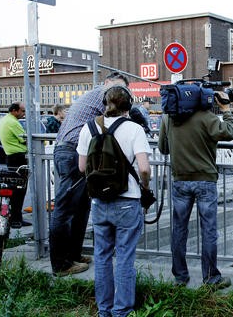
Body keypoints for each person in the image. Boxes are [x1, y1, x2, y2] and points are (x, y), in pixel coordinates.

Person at [77, 86, 151, 317]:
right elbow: (144, 168)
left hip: (99, 201)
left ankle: (104, 310)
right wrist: (145, 187)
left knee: (102, 256)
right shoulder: (134, 129)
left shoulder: (88, 128)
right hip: (127, 201)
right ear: (128, 105)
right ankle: (122, 310)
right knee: (125, 257)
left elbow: (81, 167)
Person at [49, 71, 129, 277]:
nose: (118, 93)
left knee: (82, 207)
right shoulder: (104, 94)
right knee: (65, 207)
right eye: (118, 87)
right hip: (74, 151)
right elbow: (119, 119)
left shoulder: (96, 95)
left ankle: (74, 255)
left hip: (72, 150)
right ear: (107, 83)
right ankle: (60, 264)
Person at [158, 92, 233, 289]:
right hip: (205, 181)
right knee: (209, 230)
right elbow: (231, 131)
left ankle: (180, 277)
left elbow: (163, 148)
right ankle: (211, 278)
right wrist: (226, 110)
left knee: (179, 230)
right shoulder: (206, 117)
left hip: (180, 180)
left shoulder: (169, 117)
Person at [0, 102, 31, 228]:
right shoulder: (13, 122)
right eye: (22, 111)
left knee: (14, 190)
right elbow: (24, 138)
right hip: (18, 157)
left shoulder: (5, 119)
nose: (23, 114)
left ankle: (12, 217)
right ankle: (17, 219)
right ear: (14, 110)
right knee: (19, 190)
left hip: (10, 157)